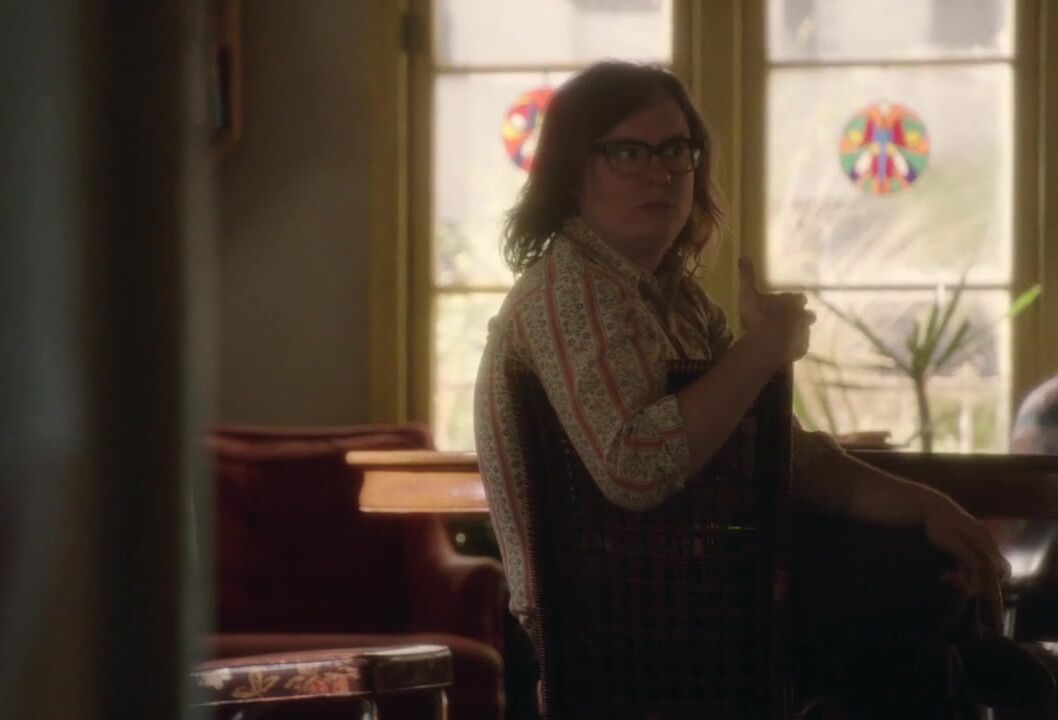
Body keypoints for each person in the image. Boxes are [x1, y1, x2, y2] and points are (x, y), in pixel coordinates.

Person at [474, 61, 1054, 716]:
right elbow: (634, 468)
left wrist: (924, 505)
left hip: (710, 591)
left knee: (924, 573)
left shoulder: (677, 298)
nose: (661, 173)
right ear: (571, 171)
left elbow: (785, 456)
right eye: (629, 152)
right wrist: (761, 349)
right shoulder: (568, 290)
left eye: (676, 150)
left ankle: (975, 664)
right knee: (915, 593)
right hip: (620, 621)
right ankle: (984, 667)